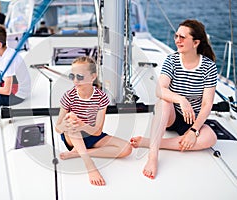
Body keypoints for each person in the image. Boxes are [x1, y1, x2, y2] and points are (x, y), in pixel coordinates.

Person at [130, 19, 218, 179]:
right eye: (176, 36)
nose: (177, 40)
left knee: (210, 138)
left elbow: (207, 104)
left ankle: (152, 142)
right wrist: (181, 100)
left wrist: (194, 130)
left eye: (182, 37)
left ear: (196, 42)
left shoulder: (208, 67)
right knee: (164, 101)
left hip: (192, 120)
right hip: (170, 116)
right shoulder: (172, 60)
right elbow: (159, 89)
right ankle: (153, 155)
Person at [55, 56, 132, 186]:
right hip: (72, 136)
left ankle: (78, 153)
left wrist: (83, 125)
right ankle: (90, 165)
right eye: (72, 76)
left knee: (127, 149)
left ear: (92, 77)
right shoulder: (69, 96)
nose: (75, 80)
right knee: (72, 118)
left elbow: (97, 132)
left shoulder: (101, 97)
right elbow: (58, 128)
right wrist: (69, 123)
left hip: (92, 134)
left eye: (79, 77)